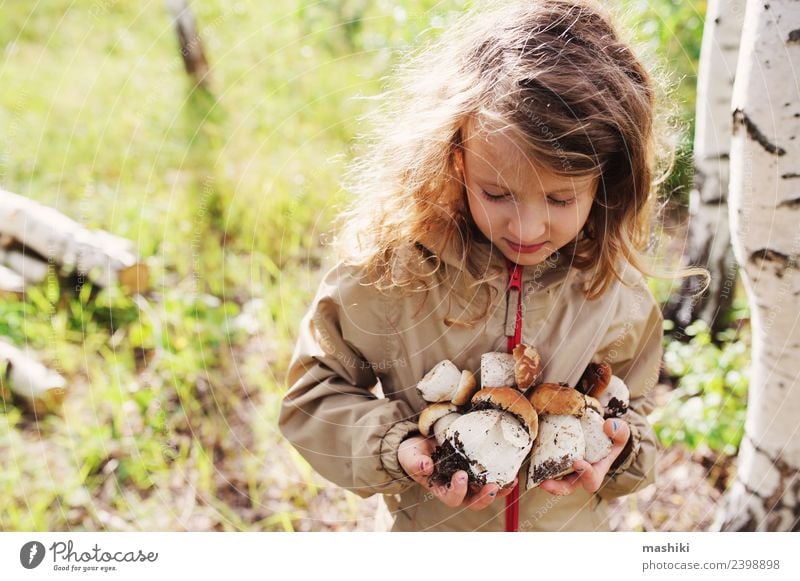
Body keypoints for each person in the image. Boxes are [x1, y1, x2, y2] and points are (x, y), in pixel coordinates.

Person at [278, 0, 708, 532]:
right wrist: (397, 446)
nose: (526, 230)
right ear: (456, 156)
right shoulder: (397, 269)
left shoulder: (613, 288)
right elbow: (313, 395)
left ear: (606, 179)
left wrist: (617, 452)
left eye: (559, 200)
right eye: (497, 192)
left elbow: (634, 409)